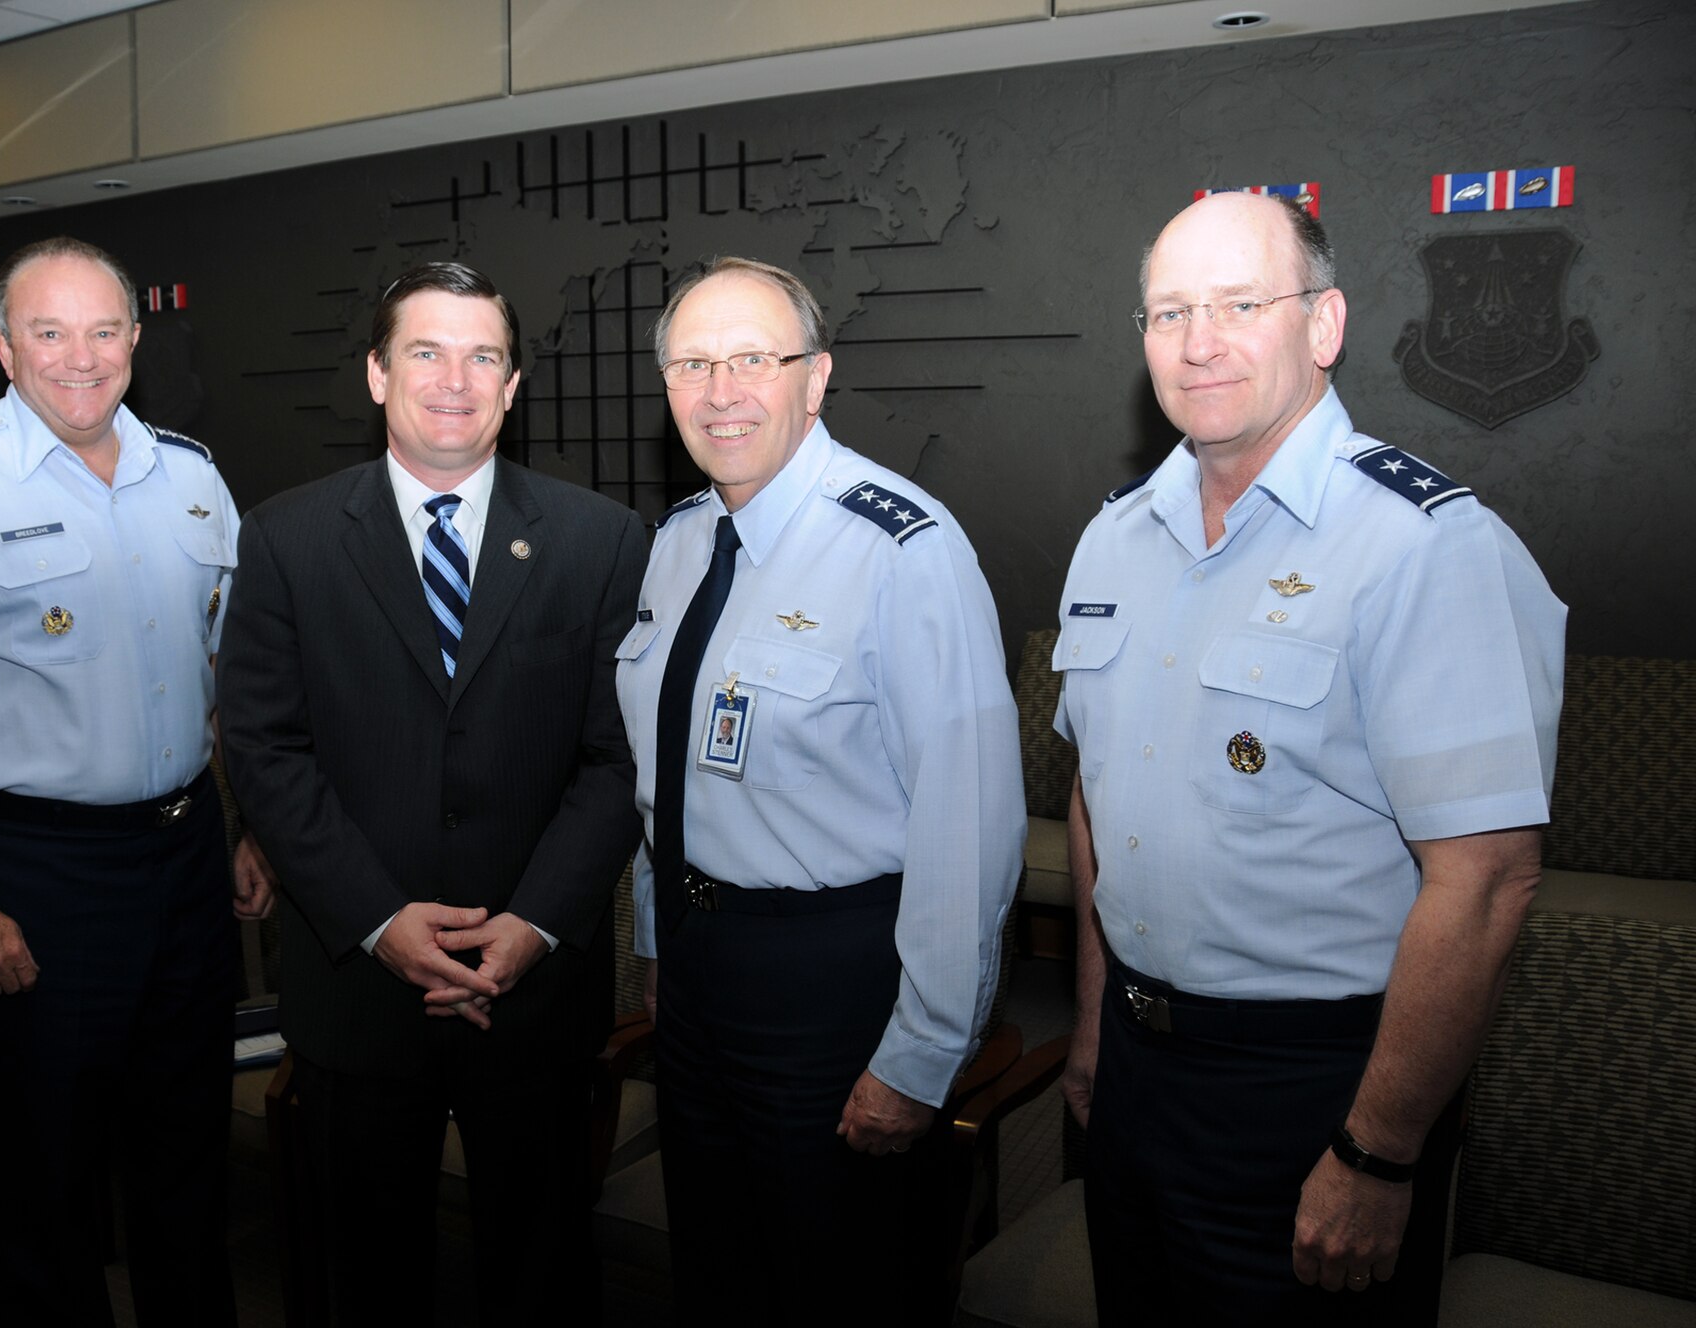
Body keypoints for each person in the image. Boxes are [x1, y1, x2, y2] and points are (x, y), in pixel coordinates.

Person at [1053, 192, 1565, 1325]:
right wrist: (1091, 1027)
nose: (1198, 340)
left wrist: (1378, 1151)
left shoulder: (1425, 544)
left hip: (1316, 1085)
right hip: (1137, 1065)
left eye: (1240, 303)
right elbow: (1095, 794)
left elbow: (1484, 879)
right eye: (1167, 311)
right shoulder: (1110, 538)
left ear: (1321, 325)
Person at [0, 236, 272, 1327]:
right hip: (27, 870)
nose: (82, 357)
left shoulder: (194, 474)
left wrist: (242, 824)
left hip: (181, 860)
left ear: (134, 339)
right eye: (49, 331)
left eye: (104, 329)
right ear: (1, 347)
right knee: (47, 1182)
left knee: (186, 1162)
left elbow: (218, 673)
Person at [217, 261, 646, 1324]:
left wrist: (534, 924)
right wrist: (375, 919)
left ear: (510, 387)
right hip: (356, 987)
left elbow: (617, 760)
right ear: (375, 374)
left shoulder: (602, 542)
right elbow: (266, 750)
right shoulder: (285, 537)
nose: (453, 378)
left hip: (532, 988)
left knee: (541, 1262)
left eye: (481, 357)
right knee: (363, 1268)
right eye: (424, 351)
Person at [615, 256, 1024, 1323]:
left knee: (846, 1276)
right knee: (716, 1263)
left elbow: (967, 828)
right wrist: (660, 944)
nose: (720, 389)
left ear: (816, 376)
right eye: (692, 363)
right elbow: (664, 786)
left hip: (836, 981)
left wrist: (923, 1052)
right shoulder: (675, 545)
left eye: (753, 357)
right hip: (701, 976)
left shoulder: (903, 549)